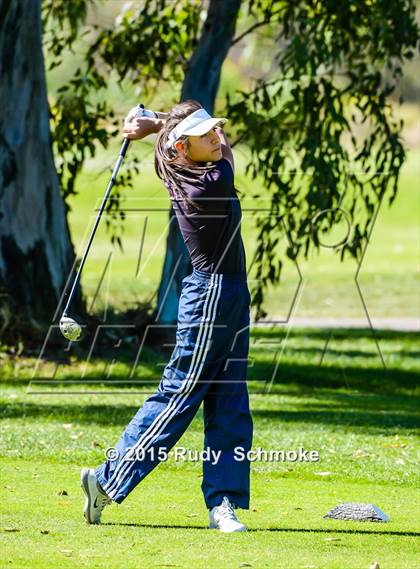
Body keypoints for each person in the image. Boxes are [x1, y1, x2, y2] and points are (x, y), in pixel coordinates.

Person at [81, 100, 253, 533]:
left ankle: (223, 502)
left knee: (230, 398)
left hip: (229, 293)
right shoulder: (209, 182)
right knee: (180, 395)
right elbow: (227, 152)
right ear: (181, 149)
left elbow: (192, 140)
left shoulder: (181, 168)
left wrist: (154, 123)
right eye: (206, 135)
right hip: (212, 295)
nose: (216, 137)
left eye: (215, 131)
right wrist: (157, 124)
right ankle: (105, 479)